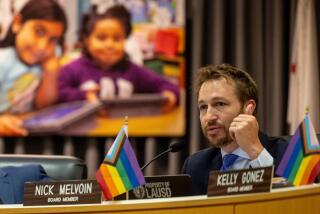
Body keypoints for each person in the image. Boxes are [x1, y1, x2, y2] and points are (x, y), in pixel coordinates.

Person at [182, 64, 288, 195]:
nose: (209, 117)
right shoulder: (195, 166)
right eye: (203, 107)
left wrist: (255, 150)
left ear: (248, 108)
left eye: (220, 104)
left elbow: (294, 203)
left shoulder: (287, 153)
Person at [57, 5, 179, 113]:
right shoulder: (73, 69)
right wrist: (84, 96)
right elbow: (56, 94)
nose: (110, 45)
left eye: (117, 39)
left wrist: (170, 95)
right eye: (101, 38)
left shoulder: (132, 70)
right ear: (87, 41)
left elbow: (168, 86)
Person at [0, 0, 67, 136]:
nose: (42, 46)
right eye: (39, 32)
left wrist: (50, 73)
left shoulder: (51, 57)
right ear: (17, 23)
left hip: (27, 132)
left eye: (53, 40)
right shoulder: (3, 61)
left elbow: (44, 106)